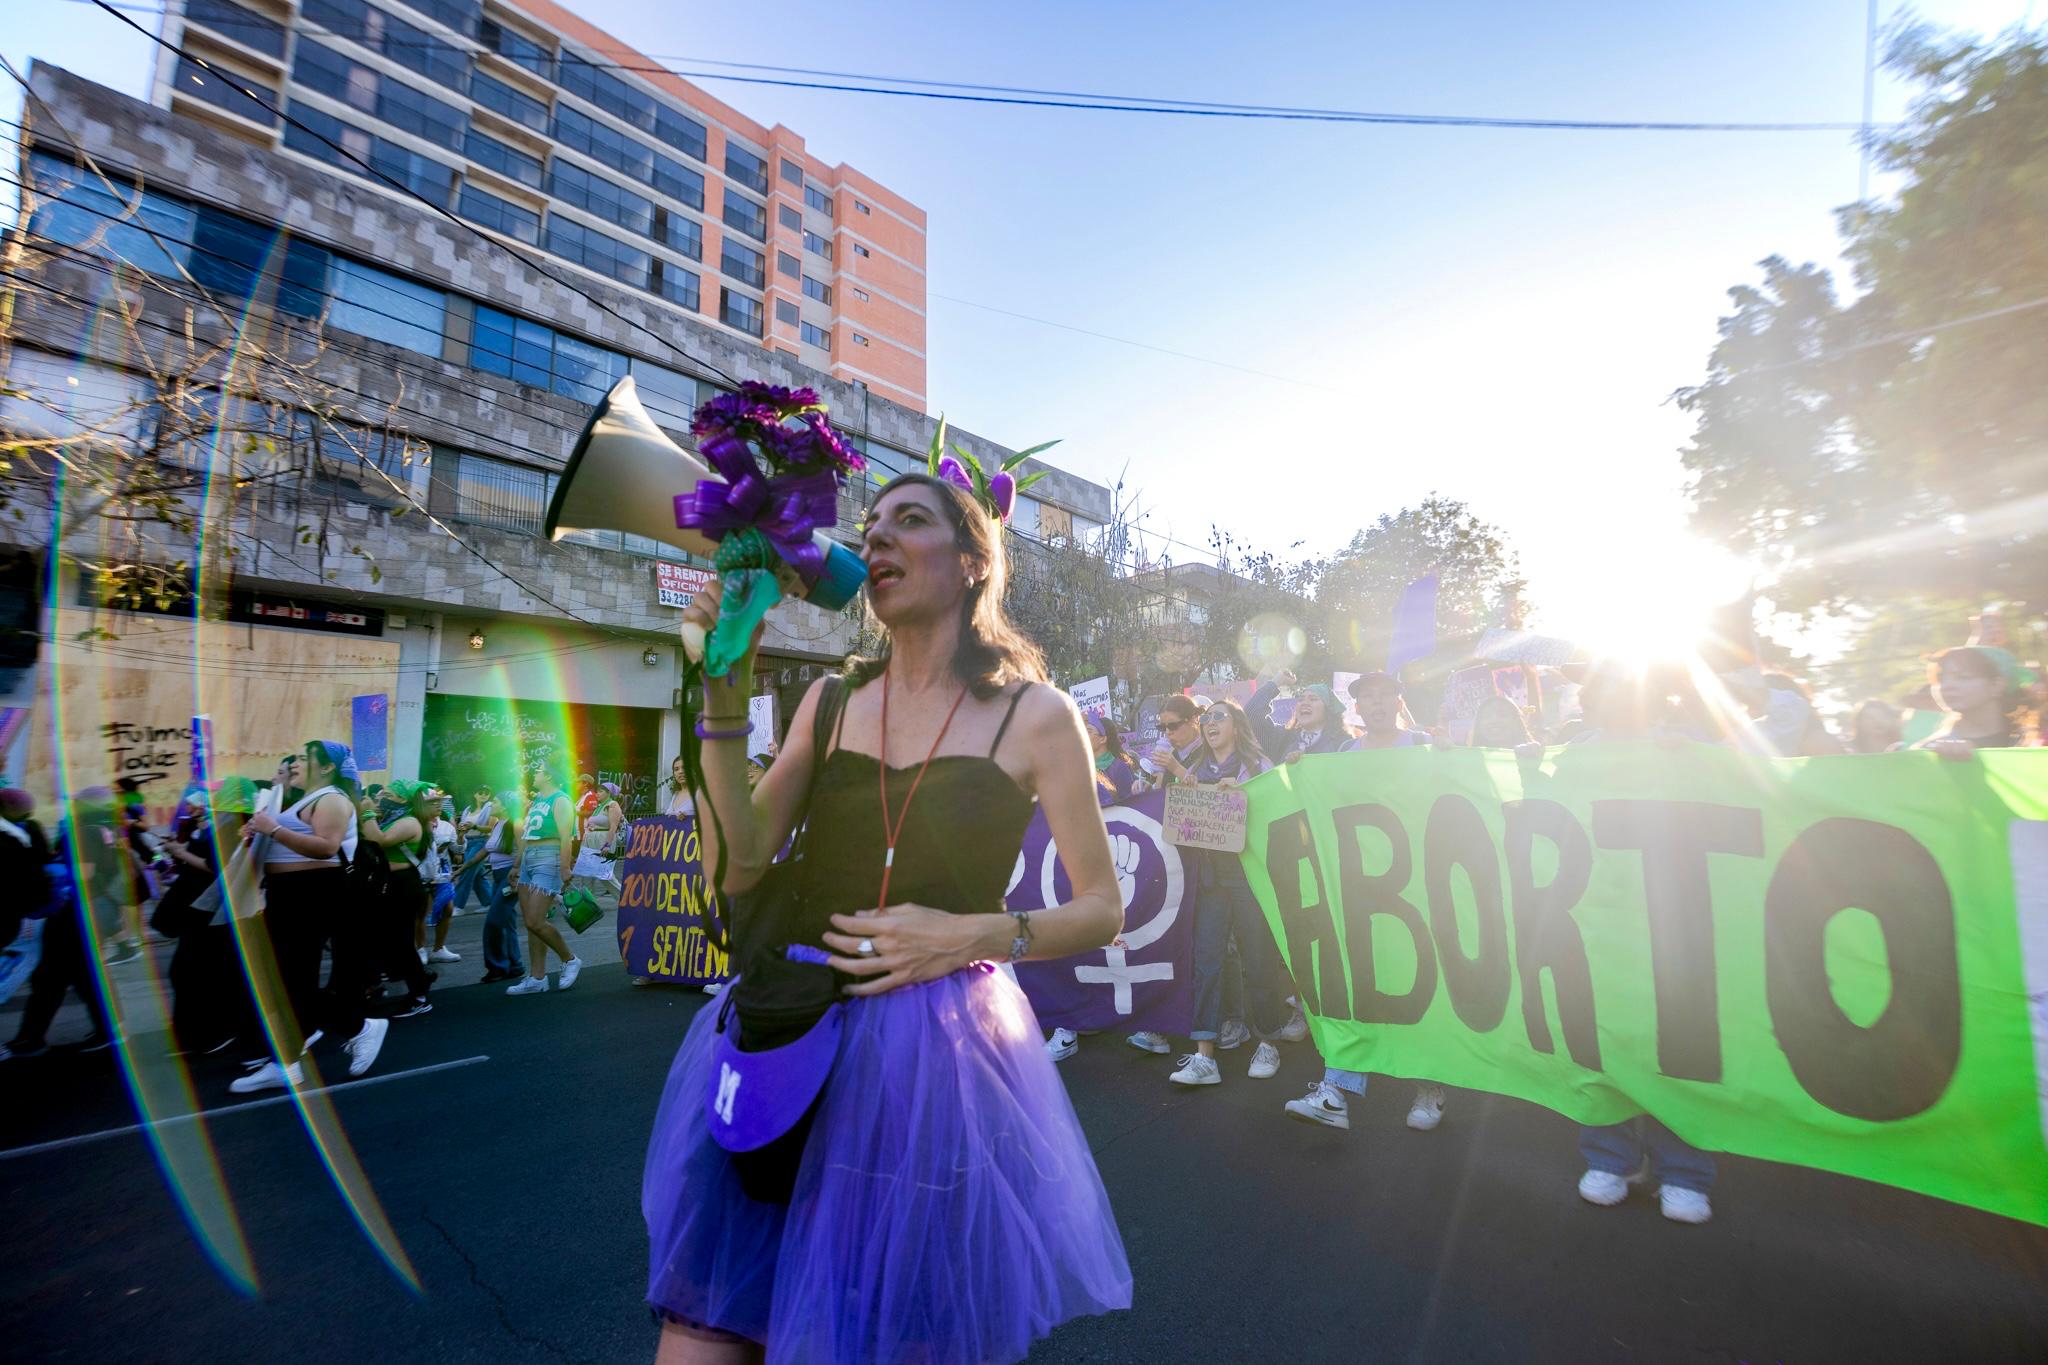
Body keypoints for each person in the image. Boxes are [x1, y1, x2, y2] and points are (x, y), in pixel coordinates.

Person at [644, 470, 1130, 1362]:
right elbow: (735, 859)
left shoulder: (1037, 714)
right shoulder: (830, 702)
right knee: (705, 1332)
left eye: (910, 520)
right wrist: (722, 684)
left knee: (872, 1330)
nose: (876, 539)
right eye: (870, 526)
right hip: (785, 1023)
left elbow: (1103, 907)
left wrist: (982, 934)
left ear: (974, 560)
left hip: (929, 1061)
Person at [1555, 661, 1717, 1223]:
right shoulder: (1573, 754)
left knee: (1679, 1046)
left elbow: (1763, 787)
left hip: (1676, 921)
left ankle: (1685, 1171)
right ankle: (1611, 1158)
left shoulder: (1685, 747)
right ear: (1591, 701)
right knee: (1601, 1042)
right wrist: (1528, 765)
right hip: (1598, 919)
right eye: (1611, 693)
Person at [1286, 673, 1449, 1134]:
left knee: (1421, 987)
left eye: (1383, 694)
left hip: (1417, 884)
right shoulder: (1344, 755)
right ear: (1357, 707)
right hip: (1361, 887)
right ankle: (1336, 1090)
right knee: (1356, 982)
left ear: (1398, 700)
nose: (1375, 703)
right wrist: (1301, 771)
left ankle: (1429, 1087)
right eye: (1366, 697)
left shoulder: (1422, 744)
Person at [1133, 700, 1292, 1085]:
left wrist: (1244, 792)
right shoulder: (1192, 770)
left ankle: (1268, 1041)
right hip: (1208, 877)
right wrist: (1173, 791)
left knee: (1257, 959)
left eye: (1218, 716)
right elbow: (1179, 823)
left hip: (1247, 876)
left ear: (1236, 726)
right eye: (1206, 719)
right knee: (1206, 961)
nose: (1210, 723)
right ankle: (1204, 1055)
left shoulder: (1258, 767)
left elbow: (1281, 811)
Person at [232, 742, 388, 1093]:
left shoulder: (331, 799)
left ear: (327, 767)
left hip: (314, 893)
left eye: (304, 758)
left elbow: (327, 846)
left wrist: (272, 830)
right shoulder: (302, 799)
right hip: (288, 895)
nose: (295, 764)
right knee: (284, 981)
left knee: (291, 980)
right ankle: (286, 1063)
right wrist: (256, 834)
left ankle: (358, 1028)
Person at [2, 789, 116, 1060]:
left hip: (74, 913)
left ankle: (33, 1039)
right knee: (69, 977)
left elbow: (83, 873)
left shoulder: (82, 833)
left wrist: (52, 872)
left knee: (60, 977)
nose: (71, 807)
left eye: (75, 803)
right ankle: (106, 1029)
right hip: (88, 911)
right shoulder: (104, 829)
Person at [163, 777, 260, 1056]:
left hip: (214, 910)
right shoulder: (237, 822)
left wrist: (180, 851)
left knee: (193, 972)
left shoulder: (235, 824)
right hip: (213, 909)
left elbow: (215, 865)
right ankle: (204, 1031)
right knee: (199, 972)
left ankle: (207, 1033)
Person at [356, 781, 437, 1018]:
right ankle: (413, 977)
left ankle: (420, 995)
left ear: (403, 800)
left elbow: (378, 840)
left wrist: (368, 812)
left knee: (401, 942)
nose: (382, 797)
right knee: (386, 940)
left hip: (403, 885)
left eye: (388, 794)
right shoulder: (395, 817)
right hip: (389, 884)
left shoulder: (410, 821)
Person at [506, 754, 583, 995]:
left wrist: (564, 868)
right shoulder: (538, 799)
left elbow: (565, 837)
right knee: (531, 924)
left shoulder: (561, 800)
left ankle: (569, 959)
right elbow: (528, 833)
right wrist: (517, 865)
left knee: (535, 920)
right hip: (530, 859)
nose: (534, 774)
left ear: (548, 775)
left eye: (538, 771)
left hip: (548, 860)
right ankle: (537, 977)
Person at [1913, 646, 2030, 754]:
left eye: (1963, 677)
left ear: (1997, 685)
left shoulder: (2033, 741)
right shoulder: (1930, 752)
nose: (1947, 686)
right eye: (1940, 679)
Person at [465, 790, 525, 984]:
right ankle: (515, 965)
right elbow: (485, 850)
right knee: (506, 922)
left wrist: (516, 871)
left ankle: (497, 967)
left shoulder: (515, 824)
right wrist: (463, 869)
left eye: (496, 801)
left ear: (506, 806)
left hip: (510, 876)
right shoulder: (498, 824)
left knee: (493, 921)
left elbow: (524, 851)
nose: (492, 804)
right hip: (498, 876)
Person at [1247, 671, 1351, 762]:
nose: (1304, 703)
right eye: (1300, 699)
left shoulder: (1344, 745)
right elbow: (1251, 713)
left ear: (1328, 709)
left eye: (1313, 699)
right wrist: (1276, 682)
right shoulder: (1283, 739)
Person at [1342, 671, 1433, 751]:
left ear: (1399, 705)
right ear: (1357, 708)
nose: (1377, 700)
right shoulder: (1345, 751)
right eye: (1367, 695)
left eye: (1385, 693)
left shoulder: (1425, 743)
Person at [423, 802, 461, 961]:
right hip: (422, 872)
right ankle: (419, 950)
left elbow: (458, 850)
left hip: (442, 872)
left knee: (448, 908)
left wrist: (462, 836)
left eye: (439, 802)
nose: (438, 805)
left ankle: (438, 948)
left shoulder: (446, 826)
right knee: (419, 913)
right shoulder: (413, 823)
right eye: (432, 802)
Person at [572, 780, 626, 890]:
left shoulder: (612, 805)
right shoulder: (599, 806)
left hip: (603, 840)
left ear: (609, 792)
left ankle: (624, 901)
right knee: (586, 875)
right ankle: (588, 904)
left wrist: (607, 845)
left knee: (605, 876)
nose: (597, 794)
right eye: (597, 791)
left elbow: (613, 826)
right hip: (590, 840)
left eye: (601, 791)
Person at [453, 785, 497, 911]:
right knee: (477, 874)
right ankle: (488, 903)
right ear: (475, 794)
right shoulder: (468, 809)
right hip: (468, 842)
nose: (484, 795)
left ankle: (457, 905)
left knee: (467, 871)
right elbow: (463, 827)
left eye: (487, 793)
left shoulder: (490, 807)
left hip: (481, 842)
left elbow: (491, 828)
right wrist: (461, 831)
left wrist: (474, 826)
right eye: (481, 792)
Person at [1084, 710, 1140, 806]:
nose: (1083, 735)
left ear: (1103, 739)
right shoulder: (1081, 766)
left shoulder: (1119, 767)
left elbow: (1128, 805)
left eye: (1089, 732)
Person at [1470, 694, 1537, 748]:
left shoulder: (1533, 755)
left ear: (1516, 722)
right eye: (1486, 716)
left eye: (1503, 714)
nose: (1494, 720)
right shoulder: (1468, 761)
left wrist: (1532, 758)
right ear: (1478, 726)